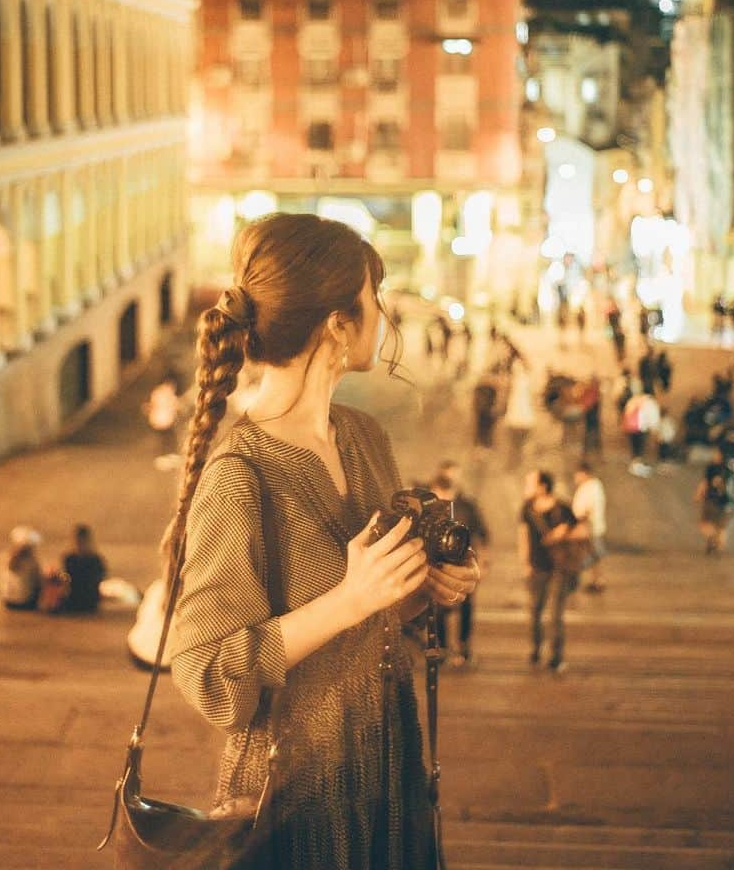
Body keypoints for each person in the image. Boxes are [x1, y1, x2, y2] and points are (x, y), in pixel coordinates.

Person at [167, 213, 479, 868]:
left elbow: (371, 623)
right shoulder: (240, 476)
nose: (384, 318)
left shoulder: (363, 436)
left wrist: (422, 590)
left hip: (388, 776)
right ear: (338, 323)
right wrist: (350, 598)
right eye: (373, 301)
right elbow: (205, 675)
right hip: (294, 803)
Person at [518, 470, 581, 673]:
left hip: (559, 567)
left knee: (555, 614)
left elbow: (581, 531)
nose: (527, 487)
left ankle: (556, 656)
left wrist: (562, 533)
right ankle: (535, 650)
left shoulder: (562, 508)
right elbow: (523, 535)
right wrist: (525, 562)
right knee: (535, 611)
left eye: (530, 483)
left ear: (543, 487)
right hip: (537, 566)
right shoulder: (527, 508)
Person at [430, 461, 490, 665]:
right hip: (439, 563)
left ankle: (463, 648)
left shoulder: (467, 506)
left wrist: (483, 561)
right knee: (438, 607)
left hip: (465, 563)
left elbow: (482, 533)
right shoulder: (432, 509)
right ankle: (444, 648)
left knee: (466, 607)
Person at [571, 460, 607, 591]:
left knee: (592, 555)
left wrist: (580, 524)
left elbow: (587, 509)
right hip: (587, 527)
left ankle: (596, 580)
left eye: (577, 474)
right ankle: (596, 580)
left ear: (584, 473)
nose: (575, 478)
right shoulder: (589, 487)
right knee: (594, 555)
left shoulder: (592, 487)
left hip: (588, 528)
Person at [695, 447, 734, 554]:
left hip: (713, 499)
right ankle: (717, 544)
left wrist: (698, 495)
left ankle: (713, 538)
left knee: (704, 524)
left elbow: (705, 483)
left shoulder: (713, 468)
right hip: (729, 503)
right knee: (721, 527)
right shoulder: (732, 468)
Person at [62, 523, 107, 613]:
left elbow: (67, 578)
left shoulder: (70, 558)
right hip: (88, 600)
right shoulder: (95, 559)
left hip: (77, 600)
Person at [144, 371, 184, 472]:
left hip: (156, 421)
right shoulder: (169, 392)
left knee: (163, 441)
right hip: (167, 421)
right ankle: (168, 460)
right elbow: (177, 406)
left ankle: (162, 459)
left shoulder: (157, 391)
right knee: (169, 441)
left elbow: (149, 405)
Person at [503, 355, 536, 469]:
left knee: (516, 442)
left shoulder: (520, 382)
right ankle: (516, 461)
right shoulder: (522, 381)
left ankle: (516, 462)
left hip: (520, 415)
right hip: (519, 414)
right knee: (517, 442)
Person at [0, 526, 42, 610]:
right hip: (24, 601)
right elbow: (38, 581)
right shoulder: (30, 560)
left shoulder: (5, 556)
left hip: (9, 600)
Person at [622, 390, 659, 476]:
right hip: (640, 428)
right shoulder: (649, 403)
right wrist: (653, 428)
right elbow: (652, 418)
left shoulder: (632, 401)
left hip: (631, 428)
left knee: (635, 447)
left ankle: (635, 463)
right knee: (639, 447)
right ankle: (637, 465)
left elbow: (626, 413)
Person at [472, 376, 499, 449]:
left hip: (487, 414)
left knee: (487, 433)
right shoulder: (482, 389)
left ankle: (483, 448)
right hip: (483, 414)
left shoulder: (490, 390)